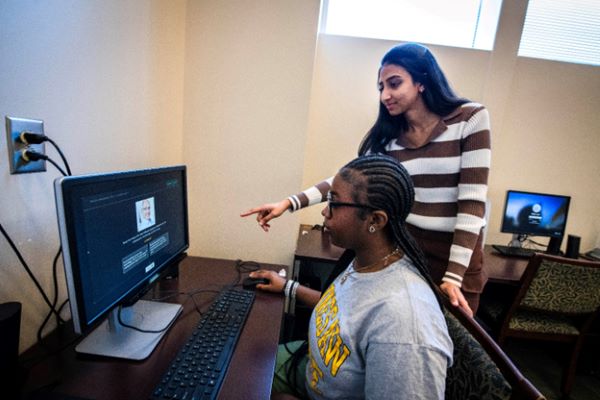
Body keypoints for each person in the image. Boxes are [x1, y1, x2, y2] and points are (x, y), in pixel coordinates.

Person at [241, 42, 491, 315]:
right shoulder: (390, 138)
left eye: (394, 84)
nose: (385, 95)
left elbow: (472, 203)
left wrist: (453, 277)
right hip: (408, 247)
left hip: (457, 256)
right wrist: (289, 204)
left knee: (453, 342)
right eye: (381, 87)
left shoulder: (470, 118)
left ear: (421, 81)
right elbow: (348, 178)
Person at [249, 154, 452, 399]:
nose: (325, 211)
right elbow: (341, 312)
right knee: (239, 364)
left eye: (334, 202)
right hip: (309, 368)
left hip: (310, 384)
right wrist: (287, 287)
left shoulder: (404, 326)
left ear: (375, 220)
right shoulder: (366, 260)